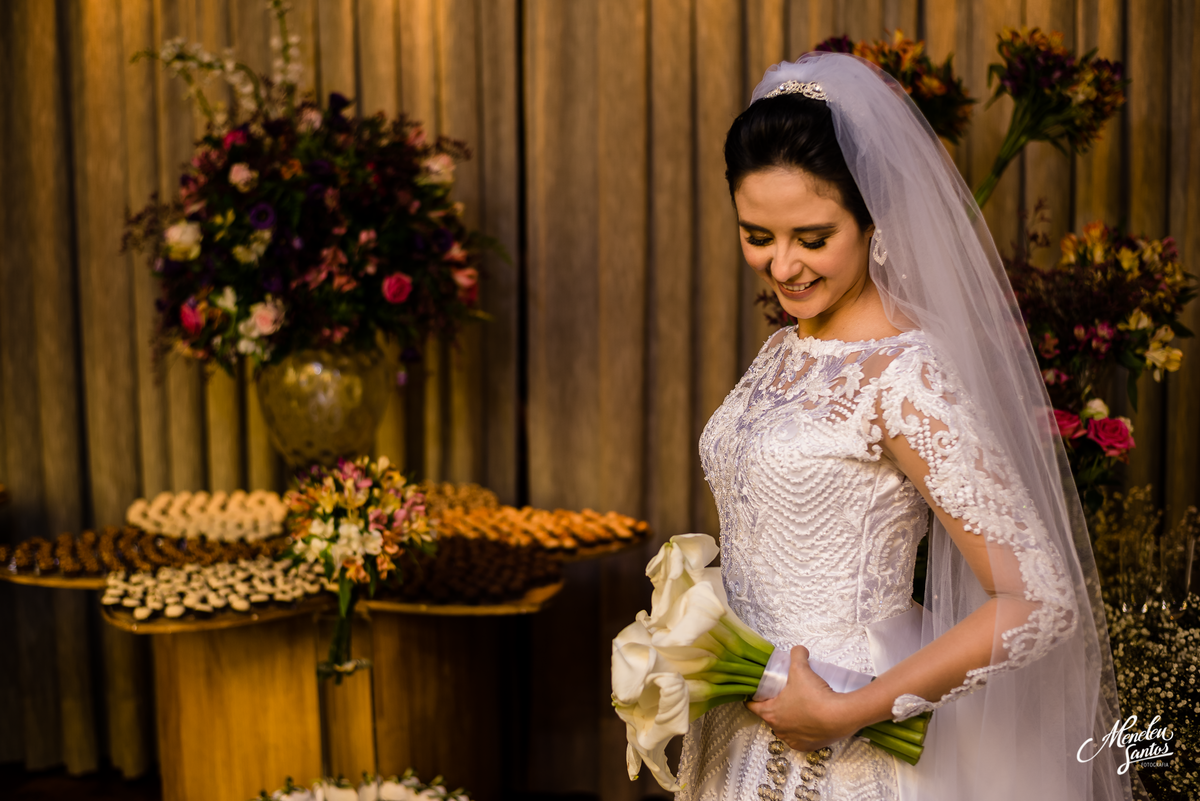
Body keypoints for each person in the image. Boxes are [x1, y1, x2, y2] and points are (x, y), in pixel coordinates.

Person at [675, 53, 1137, 801]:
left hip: (847, 745)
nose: (782, 265)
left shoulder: (904, 374)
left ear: (872, 218)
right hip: (744, 728)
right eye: (756, 234)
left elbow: (1039, 598)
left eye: (813, 237)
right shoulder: (785, 350)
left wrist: (848, 710)